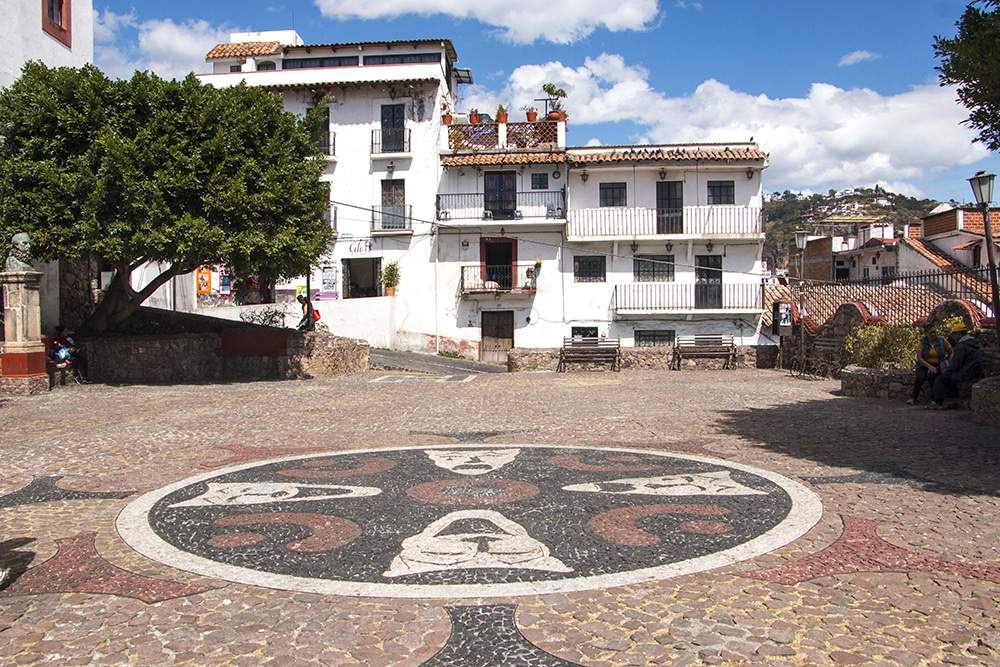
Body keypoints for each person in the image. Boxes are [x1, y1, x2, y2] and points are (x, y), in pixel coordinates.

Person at [928, 321, 984, 410]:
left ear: (959, 334)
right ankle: (953, 399)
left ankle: (937, 402)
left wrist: (943, 370)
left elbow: (955, 365)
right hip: (975, 372)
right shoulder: (974, 343)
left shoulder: (961, 346)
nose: (953, 337)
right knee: (947, 376)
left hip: (966, 374)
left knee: (940, 378)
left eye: (954, 334)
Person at [907, 322, 951, 405]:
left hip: (938, 364)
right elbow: (919, 357)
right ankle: (913, 397)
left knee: (934, 377)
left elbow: (951, 351)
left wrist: (948, 361)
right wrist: (929, 367)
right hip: (924, 364)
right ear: (926, 333)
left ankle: (934, 399)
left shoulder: (941, 340)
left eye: (935, 332)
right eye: (931, 332)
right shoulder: (922, 342)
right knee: (920, 377)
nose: (933, 334)